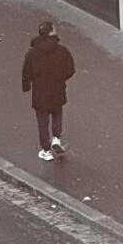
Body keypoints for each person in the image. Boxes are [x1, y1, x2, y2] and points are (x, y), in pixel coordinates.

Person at [21, 19, 75, 161]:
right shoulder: (62, 51)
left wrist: (26, 86)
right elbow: (70, 69)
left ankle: (46, 150)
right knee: (57, 113)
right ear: (51, 32)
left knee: (43, 121)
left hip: (40, 92)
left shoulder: (32, 53)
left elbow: (27, 72)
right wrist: (61, 78)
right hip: (57, 89)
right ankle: (56, 138)